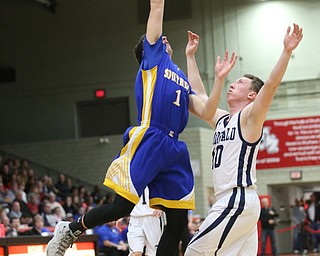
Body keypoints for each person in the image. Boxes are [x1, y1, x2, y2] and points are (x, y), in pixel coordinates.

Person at [45, 0, 237, 255]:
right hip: (151, 137)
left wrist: (219, 80)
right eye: (160, 39)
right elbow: (156, 7)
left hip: (173, 146)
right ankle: (70, 230)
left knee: (178, 221)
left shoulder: (179, 75)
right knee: (121, 208)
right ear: (149, 49)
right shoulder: (153, 60)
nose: (165, 38)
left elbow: (207, 111)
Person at [183, 24, 303, 256]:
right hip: (232, 201)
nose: (231, 84)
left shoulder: (249, 117)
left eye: (238, 83)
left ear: (251, 95)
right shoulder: (221, 119)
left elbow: (270, 87)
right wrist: (190, 56)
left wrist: (286, 52)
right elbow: (200, 96)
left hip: (237, 198)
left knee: (194, 251)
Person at [127, 187, 165, 256]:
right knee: (135, 253)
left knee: (152, 253)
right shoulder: (128, 176)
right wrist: (120, 215)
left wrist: (162, 206)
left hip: (153, 216)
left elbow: (167, 186)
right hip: (135, 217)